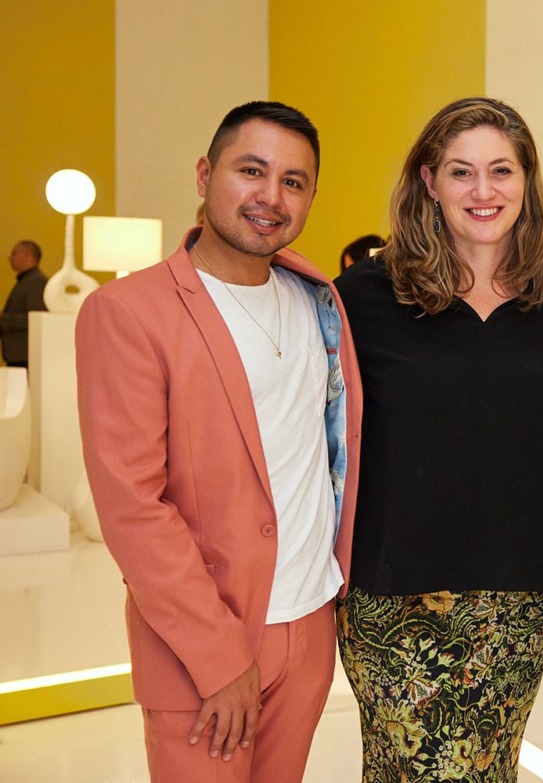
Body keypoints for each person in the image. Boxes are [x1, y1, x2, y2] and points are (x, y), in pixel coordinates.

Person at [75, 101, 362, 782]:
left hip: (310, 618)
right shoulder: (129, 312)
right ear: (205, 174)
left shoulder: (318, 297)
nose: (271, 196)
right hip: (208, 636)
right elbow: (133, 506)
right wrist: (218, 653)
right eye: (251, 170)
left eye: (294, 181)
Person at [334, 96, 543, 780]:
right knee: (420, 767)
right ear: (428, 181)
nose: (483, 191)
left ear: (528, 181)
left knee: (485, 766)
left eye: (501, 171)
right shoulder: (363, 297)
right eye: (461, 172)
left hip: (517, 596)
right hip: (392, 591)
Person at [2, 240, 47, 367]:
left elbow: (35, 317)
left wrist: (4, 319)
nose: (10, 258)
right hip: (19, 353)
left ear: (27, 255)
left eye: (14, 253)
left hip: (25, 354)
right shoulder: (27, 280)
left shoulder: (36, 281)